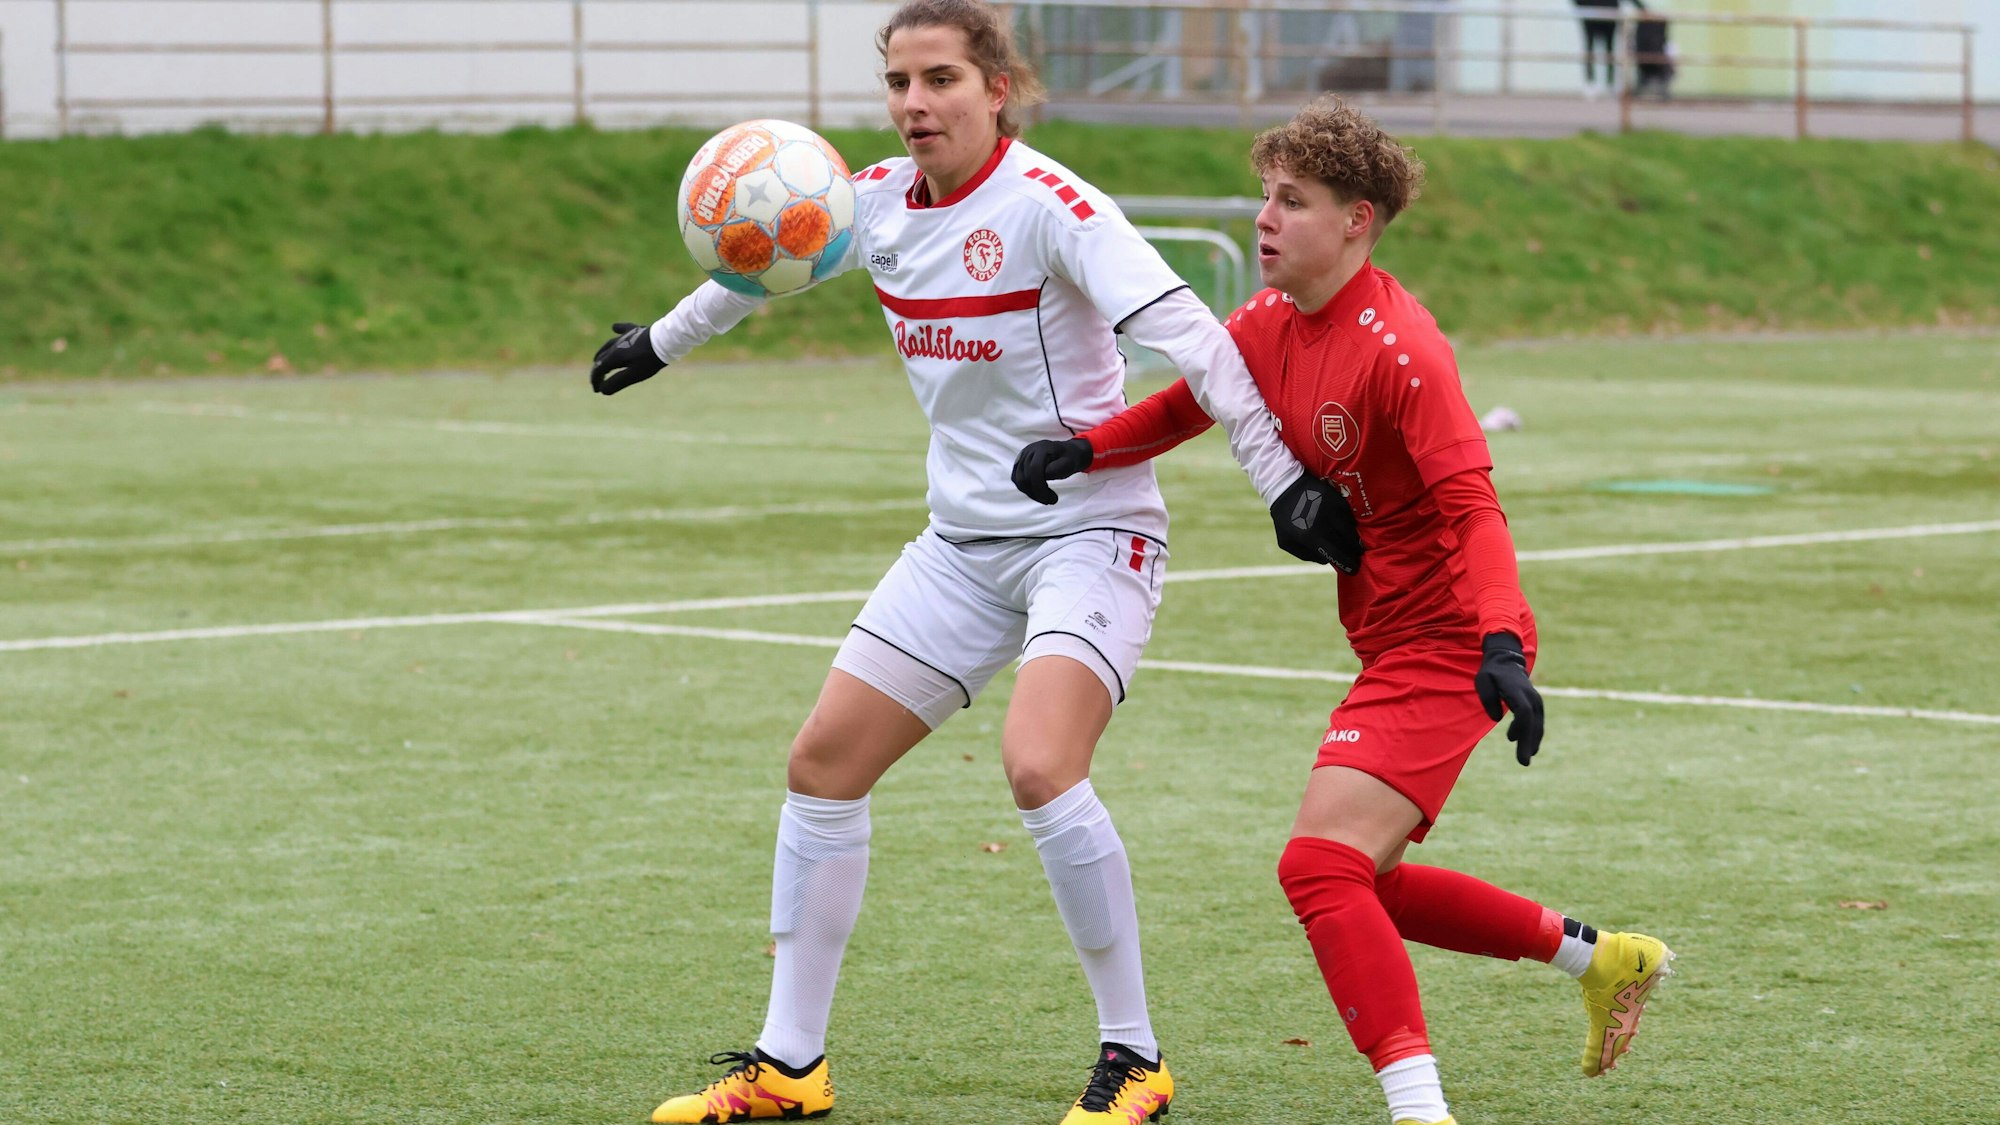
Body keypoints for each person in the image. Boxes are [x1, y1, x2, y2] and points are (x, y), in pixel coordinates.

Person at [586, 3, 1363, 1121]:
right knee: (821, 766)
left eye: (940, 79)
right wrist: (661, 340)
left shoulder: (1055, 208)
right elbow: (767, 252)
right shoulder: (871, 200)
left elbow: (1197, 336)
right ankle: (789, 1067)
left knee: (1039, 767)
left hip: (1088, 535)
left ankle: (1132, 1058)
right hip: (960, 546)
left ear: (996, 88)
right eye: (898, 81)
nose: (914, 103)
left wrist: (1281, 480)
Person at [1012, 96, 1673, 1125]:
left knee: (1317, 867)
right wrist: (1087, 449)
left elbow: (1472, 508)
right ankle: (1603, 958)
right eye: (1263, 196)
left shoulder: (1401, 349)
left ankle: (1419, 1111)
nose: (1264, 220)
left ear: (1356, 220)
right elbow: (1198, 397)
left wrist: (1500, 642)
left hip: (1451, 639)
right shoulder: (1269, 321)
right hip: (1386, 633)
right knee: (1368, 878)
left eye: (1293, 201)